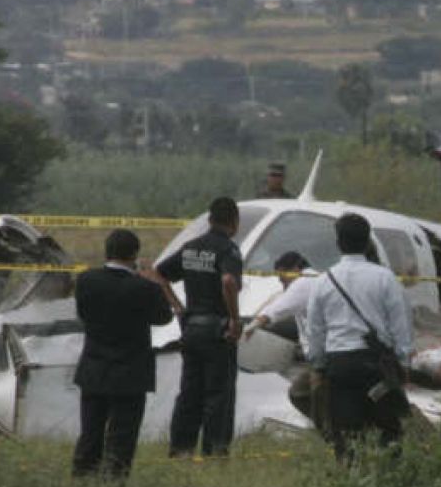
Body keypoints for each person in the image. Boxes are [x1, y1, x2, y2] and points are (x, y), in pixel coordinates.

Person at [305, 213, 415, 462]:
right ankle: (390, 481)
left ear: (338, 242)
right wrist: (403, 362)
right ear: (367, 243)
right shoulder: (385, 278)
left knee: (345, 435)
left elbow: (316, 331)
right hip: (377, 365)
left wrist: (318, 366)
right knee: (389, 431)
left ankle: (350, 482)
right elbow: (401, 325)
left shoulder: (323, 282)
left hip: (340, 365)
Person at [72, 229, 173, 479]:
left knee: (90, 432)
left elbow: (83, 314)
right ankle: (113, 484)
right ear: (134, 255)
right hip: (130, 371)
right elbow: (164, 317)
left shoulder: (86, 280)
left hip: (94, 368)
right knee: (122, 436)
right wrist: (157, 282)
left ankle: (82, 478)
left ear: (107, 252)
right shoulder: (143, 287)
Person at [156, 197, 244, 458]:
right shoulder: (228, 250)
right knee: (219, 395)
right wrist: (235, 319)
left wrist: (178, 307)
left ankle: (181, 449)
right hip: (217, 332)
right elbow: (228, 280)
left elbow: (158, 274)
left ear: (209, 220)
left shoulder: (190, 247)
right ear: (234, 222)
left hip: (191, 329)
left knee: (189, 393)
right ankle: (214, 453)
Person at [243, 251, 326, 429]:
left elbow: (278, 308)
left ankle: (332, 431)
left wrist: (251, 327)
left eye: (283, 278)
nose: (283, 285)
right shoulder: (321, 279)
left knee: (301, 393)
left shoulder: (304, 281)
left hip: (323, 358)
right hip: (333, 353)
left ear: (295, 269)